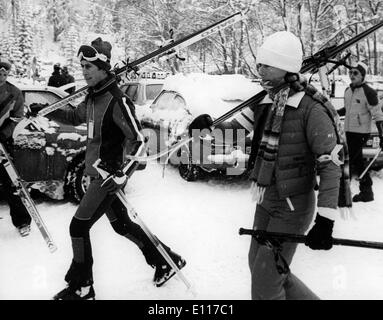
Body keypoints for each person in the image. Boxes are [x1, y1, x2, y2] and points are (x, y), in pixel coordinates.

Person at [188, 31, 351, 300]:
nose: (258, 68)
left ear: (284, 67)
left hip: (293, 206)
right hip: (266, 200)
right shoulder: (265, 101)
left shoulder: (311, 108)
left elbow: (330, 163)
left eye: (265, 64)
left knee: (266, 281)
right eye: (259, 63)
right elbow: (234, 131)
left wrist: (326, 219)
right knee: (264, 269)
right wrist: (207, 127)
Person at [50, 38, 186, 300]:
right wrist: (45, 111)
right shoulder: (93, 97)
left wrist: (123, 174)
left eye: (89, 65)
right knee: (122, 225)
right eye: (82, 67)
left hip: (107, 177)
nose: (85, 71)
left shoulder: (116, 100)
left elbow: (138, 140)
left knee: (77, 228)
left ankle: (82, 287)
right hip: (96, 174)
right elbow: (74, 117)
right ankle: (166, 261)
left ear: (102, 66)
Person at [337, 61, 383, 202]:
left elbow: (377, 113)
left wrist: (382, 134)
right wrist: (334, 112)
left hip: (361, 132)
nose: (352, 75)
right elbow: (347, 109)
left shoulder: (368, 92)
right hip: (349, 131)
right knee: (356, 162)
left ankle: (345, 194)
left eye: (355, 73)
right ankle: (366, 192)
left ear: (362, 75)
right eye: (350, 72)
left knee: (350, 162)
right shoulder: (347, 91)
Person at [0, 57, 32, 237]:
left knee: (12, 184)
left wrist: (3, 133)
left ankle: (22, 221)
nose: (2, 75)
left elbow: (17, 117)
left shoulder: (14, 93)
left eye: (5, 72)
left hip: (4, 144)